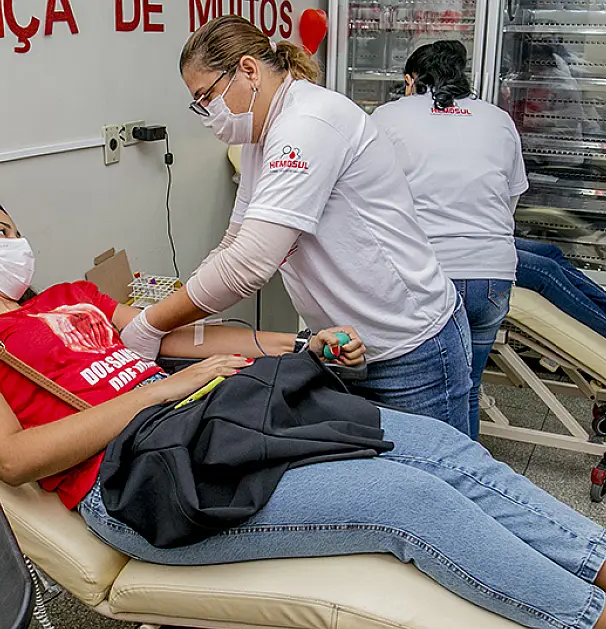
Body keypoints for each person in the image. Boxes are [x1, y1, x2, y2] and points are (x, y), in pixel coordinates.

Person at [0, 199, 606, 629]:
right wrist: (151, 396)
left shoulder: (69, 295)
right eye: (1, 234)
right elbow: (15, 454)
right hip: (148, 489)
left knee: (440, 445)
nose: (18, 242)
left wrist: (297, 350)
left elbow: (183, 344)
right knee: (403, 502)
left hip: (224, 430)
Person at [117, 15, 479, 437]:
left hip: (410, 350)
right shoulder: (260, 135)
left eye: (206, 97)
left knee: (442, 484)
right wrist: (171, 312)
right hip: (347, 346)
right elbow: (234, 244)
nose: (205, 114)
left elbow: (248, 266)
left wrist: (151, 324)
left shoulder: (308, 124)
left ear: (249, 71)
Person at [370, 41, 525, 440]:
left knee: (410, 396)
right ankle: (466, 477)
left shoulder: (387, 117)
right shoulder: (498, 118)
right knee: (467, 388)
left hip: (426, 273)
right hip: (493, 273)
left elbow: (370, 196)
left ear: (411, 79)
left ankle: (426, 483)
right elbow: (510, 201)